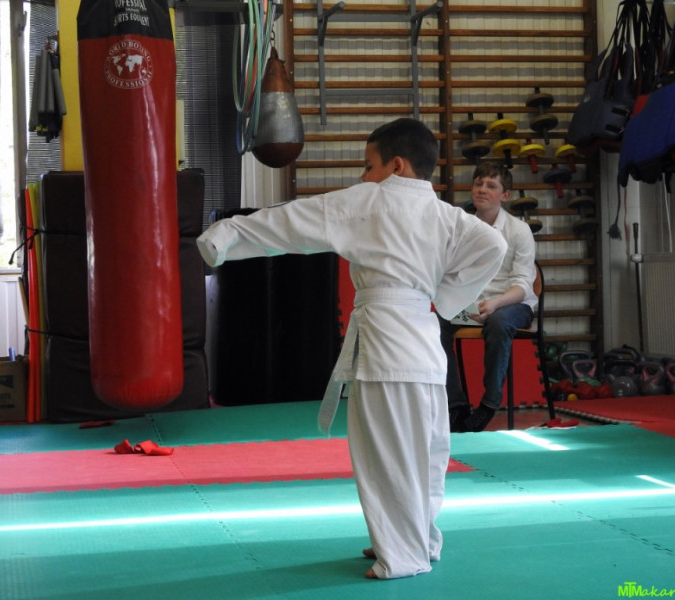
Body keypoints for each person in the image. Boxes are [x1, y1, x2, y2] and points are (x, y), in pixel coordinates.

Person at [196, 118, 506, 580]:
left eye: (368, 165)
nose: (363, 176)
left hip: (385, 346)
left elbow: (290, 221)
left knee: (385, 456)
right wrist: (444, 297)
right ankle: (418, 539)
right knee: (425, 452)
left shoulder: (370, 200)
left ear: (396, 166)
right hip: (424, 344)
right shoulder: (448, 216)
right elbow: (493, 245)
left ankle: (402, 554)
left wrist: (223, 236)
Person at [439, 160, 537, 433]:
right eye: (478, 183)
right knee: (435, 324)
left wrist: (495, 303)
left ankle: (489, 403)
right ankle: (456, 405)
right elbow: (451, 274)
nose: (482, 189)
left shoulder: (519, 231)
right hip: (473, 305)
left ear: (505, 195)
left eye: (491, 186)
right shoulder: (462, 227)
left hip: (512, 304)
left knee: (499, 322)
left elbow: (523, 285)